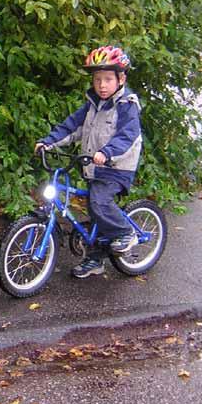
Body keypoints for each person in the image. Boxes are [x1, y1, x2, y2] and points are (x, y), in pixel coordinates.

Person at [35, 45, 143, 279]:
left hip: (116, 168)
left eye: (107, 79)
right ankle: (95, 259)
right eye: (97, 79)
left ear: (121, 79)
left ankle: (125, 232)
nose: (102, 85)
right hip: (93, 167)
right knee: (94, 211)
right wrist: (48, 143)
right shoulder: (91, 105)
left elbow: (128, 136)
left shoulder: (127, 106)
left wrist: (107, 152)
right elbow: (70, 127)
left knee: (99, 202)